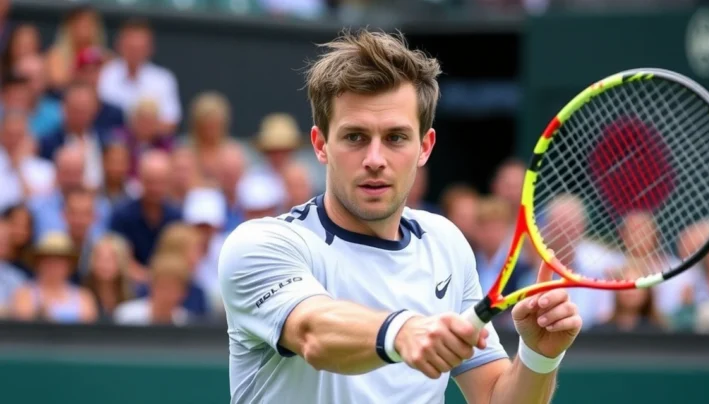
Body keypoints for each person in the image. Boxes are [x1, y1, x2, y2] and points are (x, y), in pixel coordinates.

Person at [218, 29, 582, 404]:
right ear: (320, 145)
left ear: (424, 147)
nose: (375, 159)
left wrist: (540, 356)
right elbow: (313, 333)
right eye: (355, 137)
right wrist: (403, 332)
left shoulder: (446, 243)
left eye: (395, 138)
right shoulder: (262, 245)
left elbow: (494, 398)